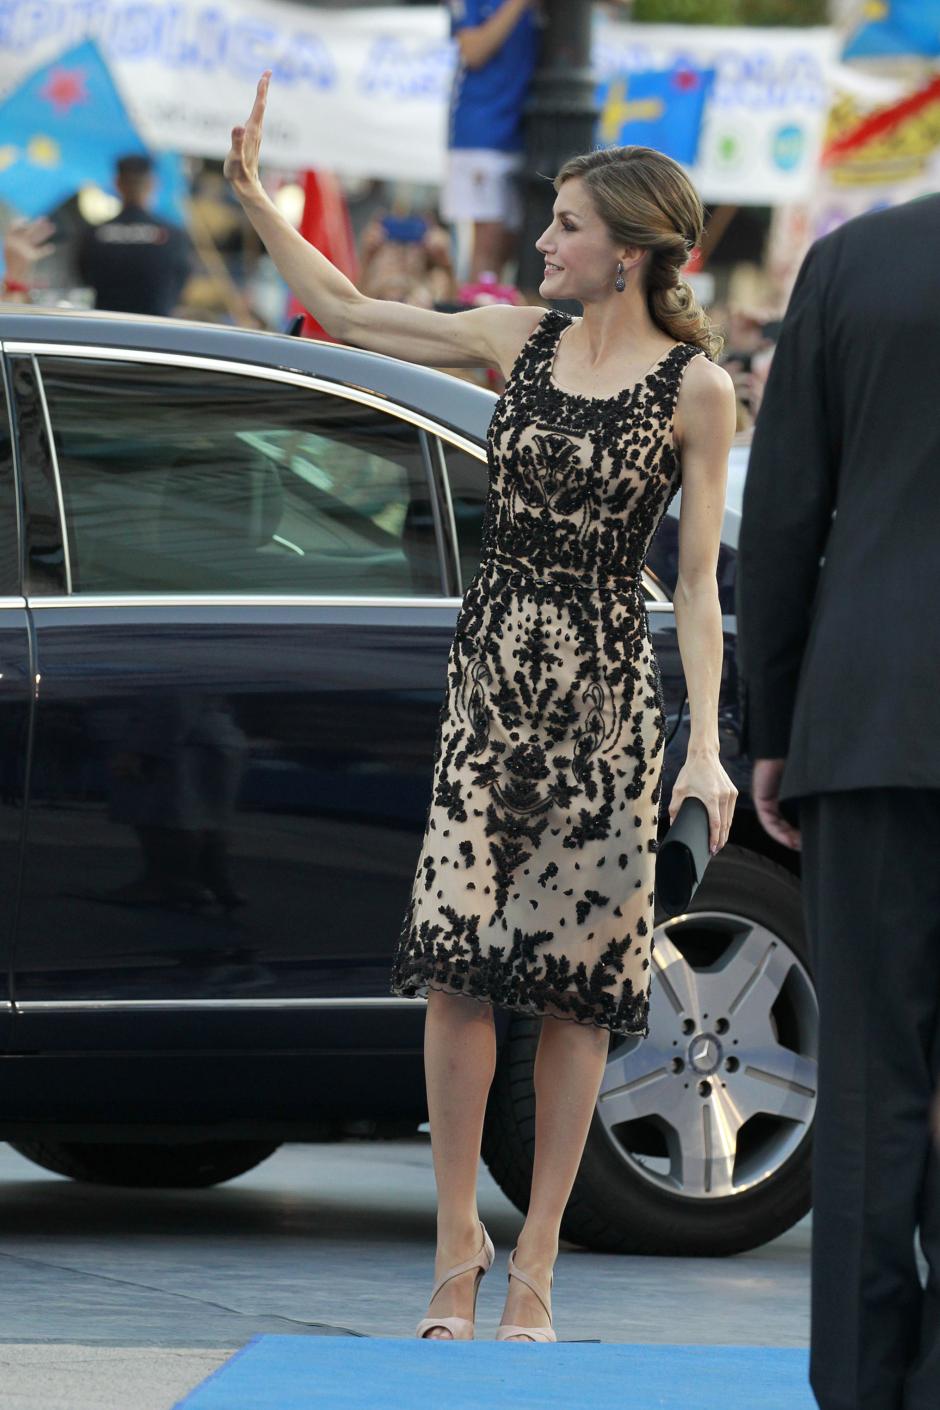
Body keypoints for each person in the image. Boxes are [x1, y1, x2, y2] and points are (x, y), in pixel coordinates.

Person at [225, 72, 737, 1342]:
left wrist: (707, 751)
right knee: (457, 971)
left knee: (576, 992)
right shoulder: (515, 339)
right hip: (492, 688)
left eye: (564, 225)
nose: (543, 243)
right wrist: (251, 201)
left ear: (626, 254)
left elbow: (698, 588)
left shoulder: (697, 391)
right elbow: (345, 313)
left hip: (609, 703)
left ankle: (538, 1266)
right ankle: (456, 1246)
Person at [735, 195, 940, 1410]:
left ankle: (861, 1385)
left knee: (868, 1073)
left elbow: (783, 512)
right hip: (868, 718)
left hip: (869, 715)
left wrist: (776, 723)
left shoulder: (854, 260)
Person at [442, 0, 541, 281]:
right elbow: (472, 50)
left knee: (511, 244)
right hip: (483, 131)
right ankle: (477, 316)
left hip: (525, 131)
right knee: (488, 244)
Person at [77, 154, 192, 317]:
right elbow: (181, 281)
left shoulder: (94, 235)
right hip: (156, 332)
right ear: (153, 184)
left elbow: (84, 277)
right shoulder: (172, 235)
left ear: (117, 184)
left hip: (106, 329)